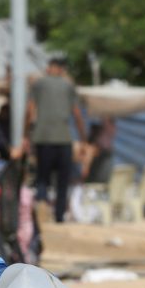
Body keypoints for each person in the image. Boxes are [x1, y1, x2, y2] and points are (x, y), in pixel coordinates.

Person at [24, 57, 87, 223]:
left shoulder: (38, 84)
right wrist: (83, 139)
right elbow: (77, 114)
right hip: (63, 139)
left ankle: (41, 215)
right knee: (62, 181)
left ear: (50, 67)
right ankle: (59, 217)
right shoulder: (68, 85)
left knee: (42, 179)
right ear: (61, 69)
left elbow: (30, 112)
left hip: (42, 138)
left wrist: (26, 136)